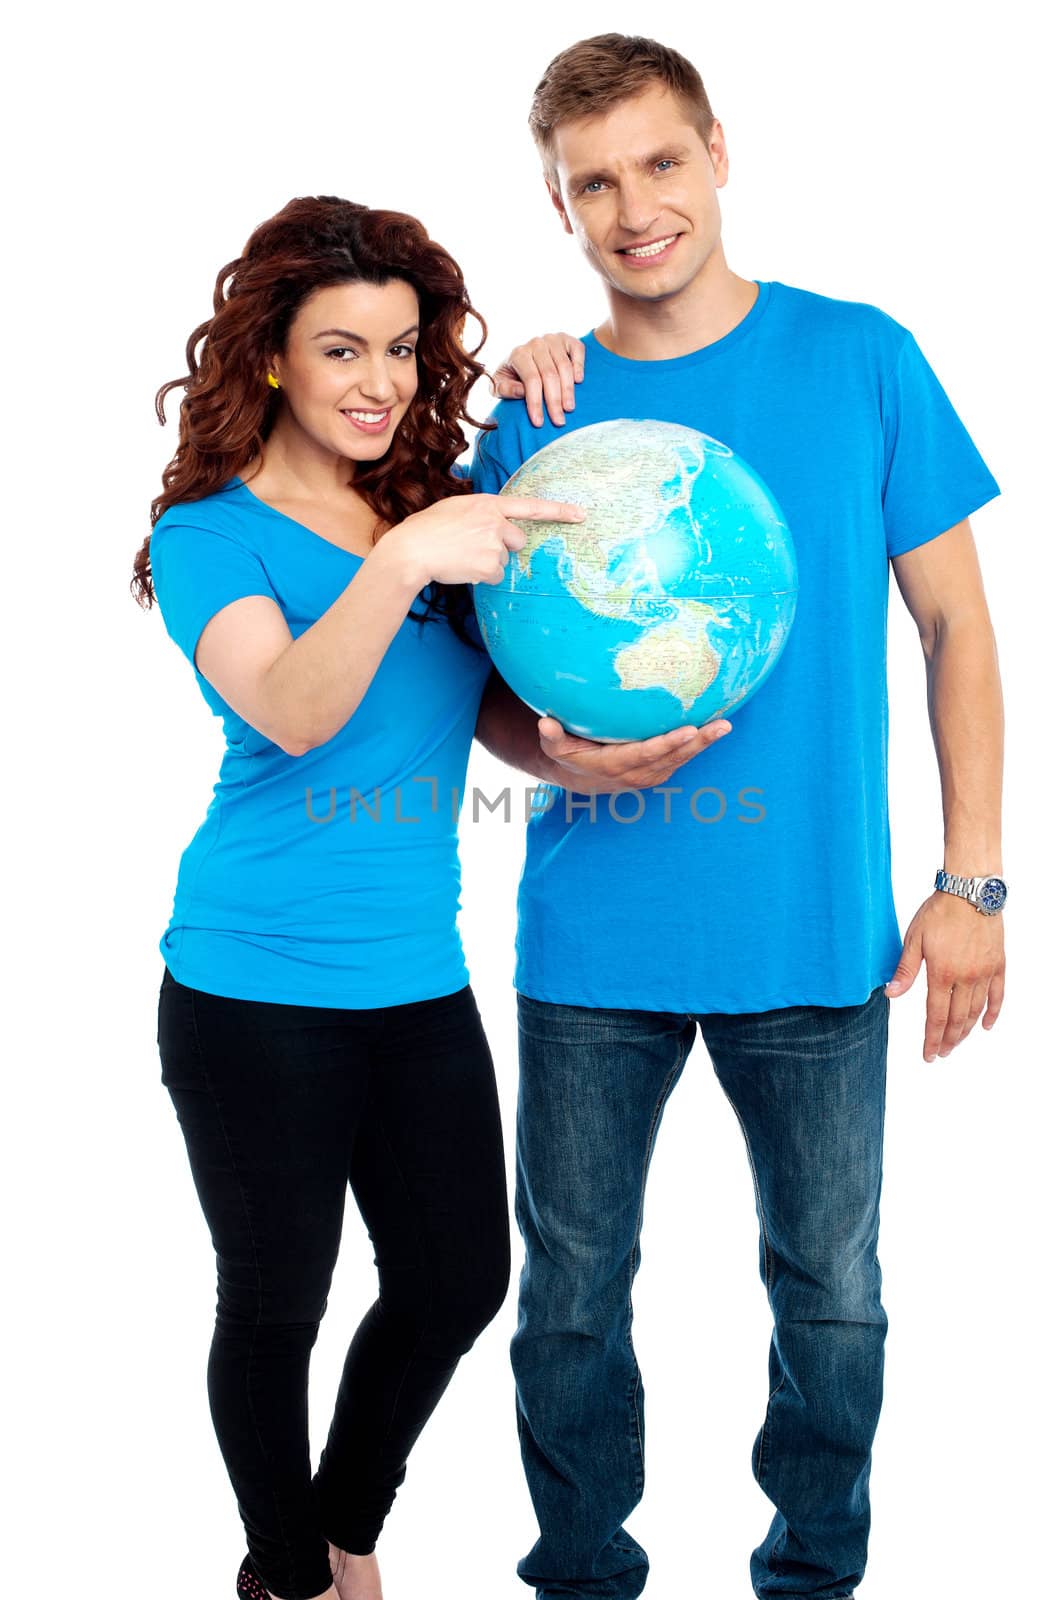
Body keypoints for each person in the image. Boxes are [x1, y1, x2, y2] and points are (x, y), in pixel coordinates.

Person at [472, 34, 1007, 1600]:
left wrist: (972, 881)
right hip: (593, 937)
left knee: (831, 1291)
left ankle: (813, 1576)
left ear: (717, 149)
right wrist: (554, 760)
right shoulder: (536, 412)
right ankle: (579, 1577)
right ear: (558, 205)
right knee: (570, 1295)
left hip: (818, 926)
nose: (634, 207)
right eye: (592, 183)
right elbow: (479, 692)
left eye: (657, 161)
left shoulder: (863, 357)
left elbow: (957, 628)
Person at [135, 195, 710, 1600]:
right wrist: (401, 558)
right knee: (275, 1306)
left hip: (412, 979)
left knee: (456, 1277)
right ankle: (287, 1574)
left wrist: (573, 750)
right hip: (251, 987)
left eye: (403, 348)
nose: (382, 381)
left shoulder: (424, 503)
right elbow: (292, 709)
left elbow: (483, 722)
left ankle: (340, 1522)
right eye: (342, 350)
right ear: (269, 358)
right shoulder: (218, 533)